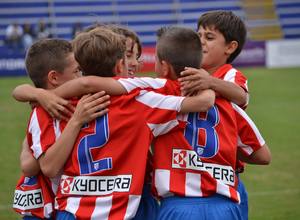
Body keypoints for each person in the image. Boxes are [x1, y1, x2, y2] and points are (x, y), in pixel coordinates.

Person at [19, 27, 214, 219]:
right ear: (120, 65)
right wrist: (211, 84)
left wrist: (38, 94)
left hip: (72, 209)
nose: (134, 63)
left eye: (137, 56)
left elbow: (38, 166)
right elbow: (195, 98)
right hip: (123, 209)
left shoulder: (48, 106)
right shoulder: (141, 99)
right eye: (129, 56)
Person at [12, 38, 110, 219]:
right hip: (46, 206)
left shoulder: (81, 98)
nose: (82, 77)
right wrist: (76, 120)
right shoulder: (42, 110)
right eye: (77, 71)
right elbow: (39, 166)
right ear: (54, 77)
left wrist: (37, 93)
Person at [178, 10, 252, 220]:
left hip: (223, 178)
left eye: (209, 37)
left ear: (230, 47)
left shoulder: (229, 74)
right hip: (189, 175)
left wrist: (210, 82)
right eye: (198, 35)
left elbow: (241, 96)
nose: (200, 41)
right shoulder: (186, 72)